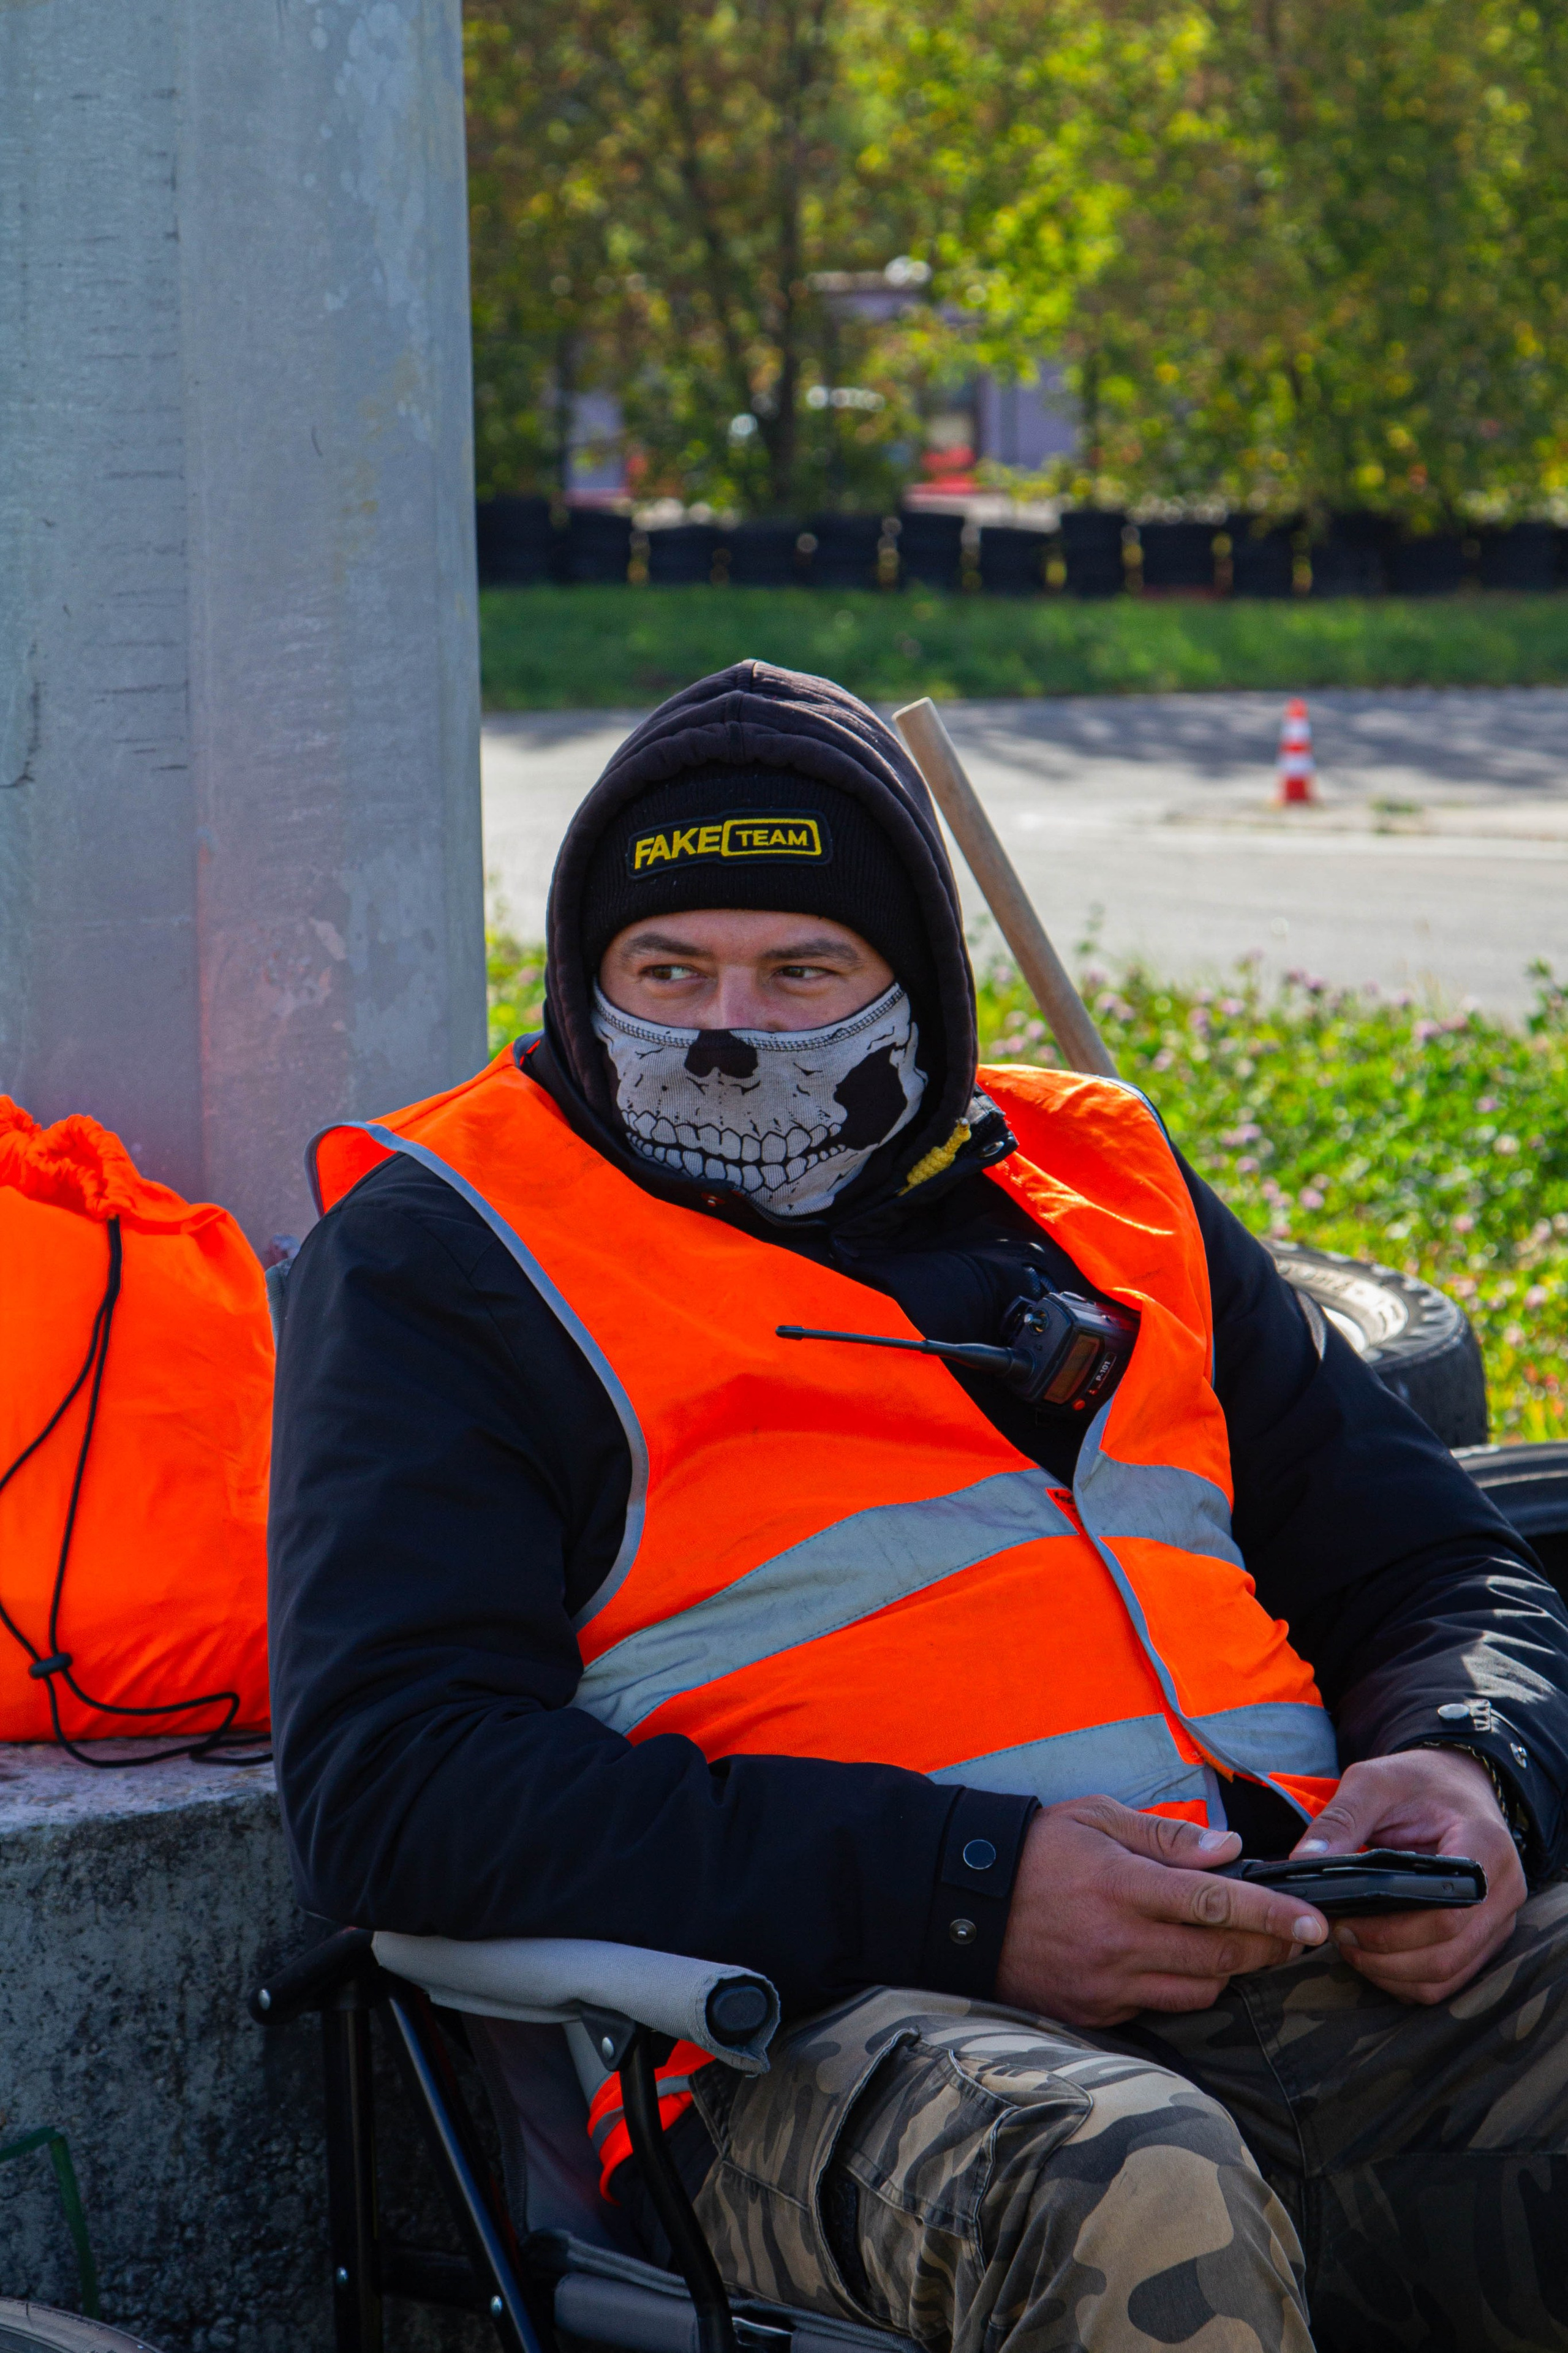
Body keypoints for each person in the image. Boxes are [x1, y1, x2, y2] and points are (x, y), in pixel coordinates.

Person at [270, 662, 1568, 2352]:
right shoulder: (450, 1247)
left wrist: (1472, 1763)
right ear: (585, 983)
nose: (726, 1031)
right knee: (1136, 2178)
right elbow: (395, 1779)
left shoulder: (1105, 1182)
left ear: (921, 992)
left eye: (804, 971)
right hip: (812, 2036)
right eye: (665, 970)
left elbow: (1435, 1559)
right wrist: (968, 1886)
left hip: (1303, 1943)